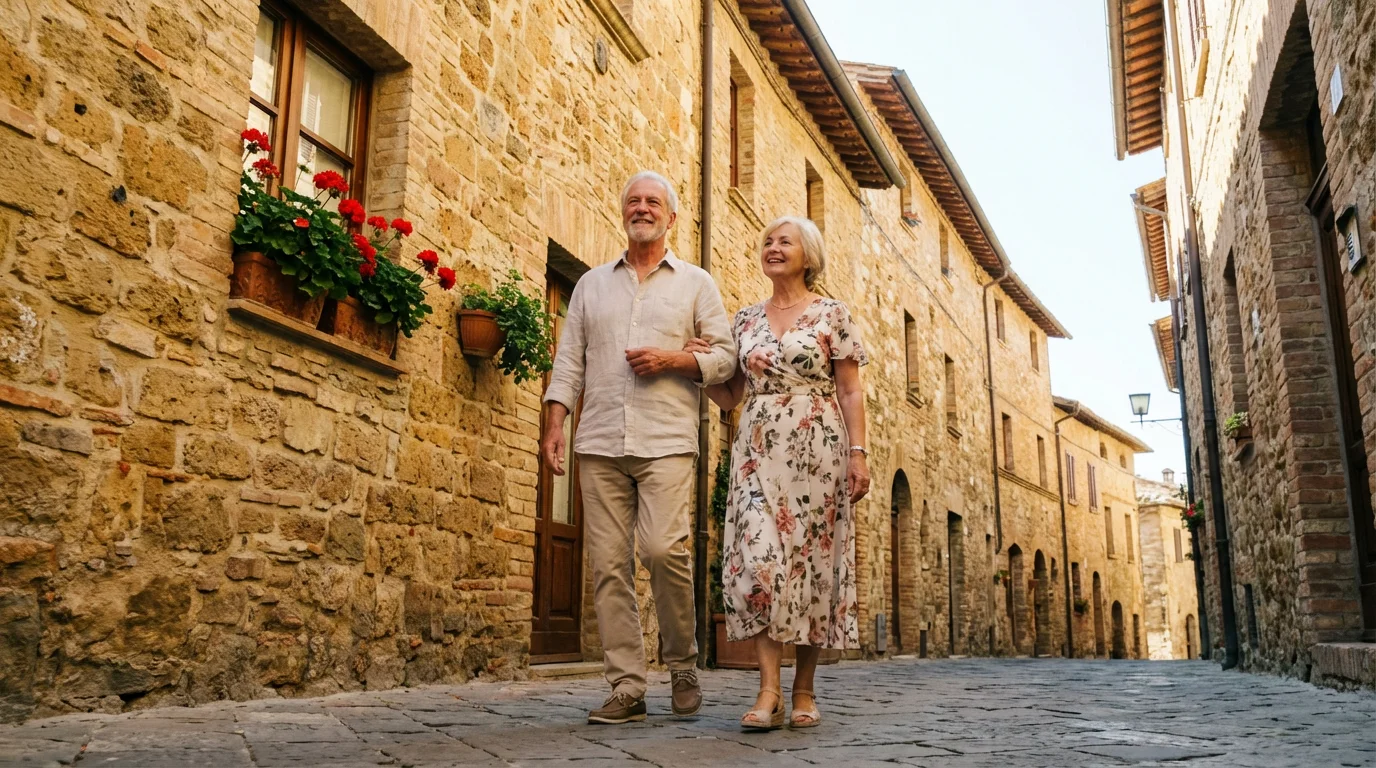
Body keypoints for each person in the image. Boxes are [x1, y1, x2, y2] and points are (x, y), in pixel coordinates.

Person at [540, 171, 737, 725]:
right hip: (599, 440)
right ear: (623, 212)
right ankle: (627, 686)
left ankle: (681, 664)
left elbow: (726, 360)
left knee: (662, 552)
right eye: (634, 201)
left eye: (653, 202)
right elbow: (568, 362)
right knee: (607, 566)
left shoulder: (696, 283)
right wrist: (555, 424)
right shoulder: (591, 286)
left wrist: (674, 359)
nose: (642, 208)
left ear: (671, 218)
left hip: (667, 440)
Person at [688, 215, 870, 730]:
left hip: (819, 451)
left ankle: (804, 691)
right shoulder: (744, 321)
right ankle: (768, 691)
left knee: (811, 564)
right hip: (756, 452)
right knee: (760, 563)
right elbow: (731, 395)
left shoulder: (833, 314)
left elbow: (851, 389)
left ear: (807, 255)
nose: (772, 247)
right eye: (767, 241)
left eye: (783, 241)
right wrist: (702, 370)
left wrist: (859, 453)